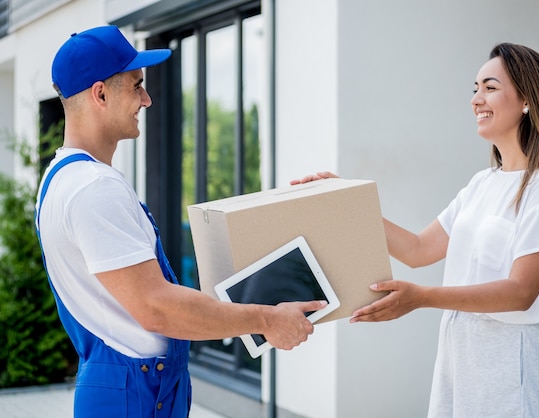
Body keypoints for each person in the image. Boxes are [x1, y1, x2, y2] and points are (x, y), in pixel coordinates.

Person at [35, 25, 326, 418]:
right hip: (134, 396)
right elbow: (157, 307)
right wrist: (266, 318)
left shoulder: (60, 179)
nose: (147, 99)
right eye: (136, 85)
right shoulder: (93, 187)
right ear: (100, 94)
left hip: (128, 387)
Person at [292, 42, 539, 417]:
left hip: (506, 363)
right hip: (457, 354)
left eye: (490, 87)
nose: (476, 99)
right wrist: (345, 202)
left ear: (527, 99)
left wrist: (421, 297)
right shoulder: (483, 183)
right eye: (475, 88)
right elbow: (418, 249)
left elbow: (521, 292)